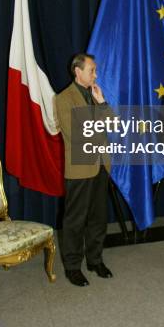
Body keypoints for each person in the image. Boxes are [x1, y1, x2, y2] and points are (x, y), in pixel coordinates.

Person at [54, 53, 112, 286]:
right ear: (77, 72)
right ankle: (72, 266)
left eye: (95, 70)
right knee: (75, 220)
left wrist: (102, 103)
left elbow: (113, 125)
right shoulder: (64, 98)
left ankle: (95, 260)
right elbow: (77, 133)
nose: (96, 75)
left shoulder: (95, 95)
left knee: (99, 217)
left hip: (100, 166)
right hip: (80, 167)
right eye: (92, 70)